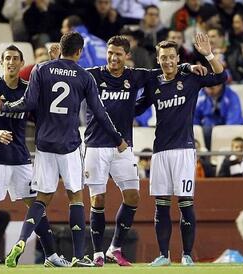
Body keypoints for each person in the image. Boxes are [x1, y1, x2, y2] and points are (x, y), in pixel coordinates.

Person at [0, 33, 128, 267]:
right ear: (79, 52)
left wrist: (4, 106)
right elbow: (99, 113)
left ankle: (21, 240)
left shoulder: (41, 69)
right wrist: (118, 138)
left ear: (59, 48)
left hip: (45, 145)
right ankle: (78, 257)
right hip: (69, 144)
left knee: (41, 199)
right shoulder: (84, 76)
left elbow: (28, 104)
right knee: (76, 197)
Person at [84, 35, 205, 267]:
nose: (113, 57)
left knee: (133, 196)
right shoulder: (94, 74)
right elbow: (74, 76)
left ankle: (115, 248)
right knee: (97, 199)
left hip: (123, 147)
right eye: (110, 53)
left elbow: (166, 66)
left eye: (118, 53)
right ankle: (97, 253)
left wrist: (188, 66)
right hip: (96, 144)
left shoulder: (136, 75)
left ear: (126, 56)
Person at [135, 34, 226, 266]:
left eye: (172, 57)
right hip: (160, 152)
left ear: (177, 59)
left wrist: (207, 54)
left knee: (185, 203)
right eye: (163, 58)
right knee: (161, 205)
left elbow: (221, 75)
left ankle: (186, 255)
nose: (168, 62)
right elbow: (137, 108)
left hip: (184, 151)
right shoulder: (154, 82)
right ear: (158, 60)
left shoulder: (191, 79)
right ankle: (163, 255)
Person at [0, 45, 68, 268]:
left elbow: (45, 110)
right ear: (2, 62)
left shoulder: (29, 88)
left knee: (36, 205)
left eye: (15, 58)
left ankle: (51, 256)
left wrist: (55, 61)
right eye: (7, 58)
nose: (11, 62)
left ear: (21, 62)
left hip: (20, 157)